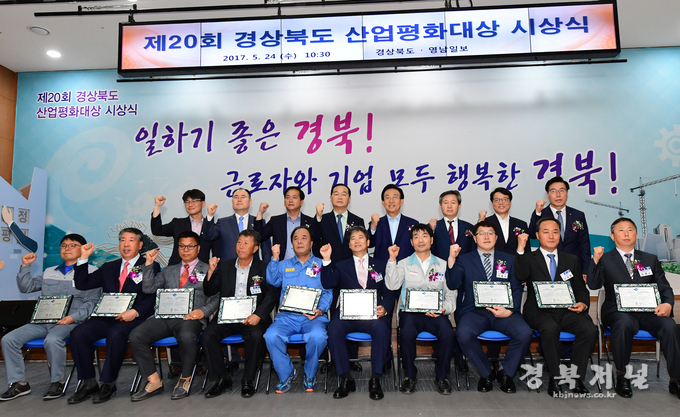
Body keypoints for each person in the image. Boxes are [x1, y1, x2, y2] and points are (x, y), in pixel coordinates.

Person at [588, 217, 680, 399]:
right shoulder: (605, 259)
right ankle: (622, 376)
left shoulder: (650, 259)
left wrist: (668, 303)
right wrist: (595, 261)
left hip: (648, 312)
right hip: (617, 311)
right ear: (612, 236)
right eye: (621, 230)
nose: (626, 233)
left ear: (636, 234)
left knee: (670, 326)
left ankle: (676, 379)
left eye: (630, 230)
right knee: (623, 323)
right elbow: (593, 284)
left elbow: (664, 287)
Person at [0, 234, 100, 401]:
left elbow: (92, 303)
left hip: (70, 322)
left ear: (83, 249)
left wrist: (72, 318)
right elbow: (26, 287)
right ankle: (19, 383)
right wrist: (25, 266)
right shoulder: (49, 272)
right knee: (9, 339)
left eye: (72, 245)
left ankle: (57, 382)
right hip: (43, 321)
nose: (67, 248)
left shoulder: (92, 272)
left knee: (52, 340)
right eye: (64, 245)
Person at [67, 228, 160, 404]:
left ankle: (108, 384)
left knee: (116, 334)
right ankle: (88, 383)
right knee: (78, 333)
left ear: (140, 245)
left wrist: (135, 312)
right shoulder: (108, 267)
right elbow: (82, 283)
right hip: (106, 316)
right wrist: (83, 258)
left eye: (131, 240)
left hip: (134, 317)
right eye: (122, 240)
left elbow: (152, 296)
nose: (126, 244)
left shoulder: (149, 265)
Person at [129, 231, 218, 401]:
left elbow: (216, 297)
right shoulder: (169, 270)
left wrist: (203, 311)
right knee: (136, 335)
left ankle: (184, 379)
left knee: (186, 336)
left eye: (190, 246)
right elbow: (148, 288)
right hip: (164, 317)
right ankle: (154, 381)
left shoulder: (208, 269)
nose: (186, 250)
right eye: (182, 246)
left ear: (198, 248)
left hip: (191, 318)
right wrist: (149, 264)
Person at [515, 218, 597, 397]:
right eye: (546, 232)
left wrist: (583, 303)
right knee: (550, 329)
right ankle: (555, 376)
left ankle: (575, 377)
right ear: (537, 236)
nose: (551, 236)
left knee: (590, 329)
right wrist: (520, 249)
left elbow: (579, 288)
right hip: (538, 311)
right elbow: (520, 275)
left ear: (560, 235)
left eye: (555, 232)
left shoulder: (571, 259)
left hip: (567, 310)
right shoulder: (528, 258)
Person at [447, 221, 532, 394]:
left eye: (490, 233)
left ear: (496, 237)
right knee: (463, 334)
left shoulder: (509, 259)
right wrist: (451, 259)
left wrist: (510, 310)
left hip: (505, 312)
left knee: (525, 333)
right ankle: (486, 373)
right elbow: (453, 283)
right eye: (482, 233)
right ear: (475, 238)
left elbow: (516, 288)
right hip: (475, 312)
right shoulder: (464, 259)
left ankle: (506, 373)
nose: (486, 236)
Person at [320, 226, 397, 400]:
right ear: (349, 245)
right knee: (334, 329)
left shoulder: (381, 264)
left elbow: (389, 292)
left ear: (368, 242)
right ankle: (345, 378)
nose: (356, 241)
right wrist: (326, 260)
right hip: (348, 314)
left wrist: (385, 307)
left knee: (381, 328)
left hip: (373, 314)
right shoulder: (341, 265)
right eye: (352, 238)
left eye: (360, 237)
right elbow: (328, 283)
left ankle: (375, 379)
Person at [201, 230, 279, 399]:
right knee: (207, 335)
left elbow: (273, 294)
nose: (241, 246)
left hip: (253, 316)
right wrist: (211, 271)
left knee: (256, 335)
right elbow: (209, 291)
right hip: (227, 316)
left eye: (246, 243)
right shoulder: (225, 266)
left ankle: (248, 379)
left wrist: (258, 315)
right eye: (239, 242)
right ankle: (222, 378)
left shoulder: (264, 267)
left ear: (255, 248)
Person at [385, 224, 456, 395]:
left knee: (448, 333)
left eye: (424, 236)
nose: (420, 240)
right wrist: (392, 260)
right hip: (410, 313)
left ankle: (442, 376)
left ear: (431, 240)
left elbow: (451, 293)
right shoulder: (403, 263)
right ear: (411, 242)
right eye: (416, 237)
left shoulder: (442, 264)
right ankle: (409, 375)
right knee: (407, 333)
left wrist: (444, 309)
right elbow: (392, 285)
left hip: (436, 313)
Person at [263, 226, 332, 393]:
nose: (299, 241)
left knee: (318, 337)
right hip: (287, 317)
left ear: (312, 243)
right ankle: (287, 374)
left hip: (313, 317)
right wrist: (274, 258)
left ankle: (310, 374)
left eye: (304, 238)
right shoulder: (283, 265)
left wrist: (320, 310)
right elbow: (272, 281)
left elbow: (328, 292)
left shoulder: (321, 264)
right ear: (292, 244)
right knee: (270, 336)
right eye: (295, 238)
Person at [527, 176, 591, 279]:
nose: (558, 195)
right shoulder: (541, 214)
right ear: (547, 194)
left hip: (573, 266)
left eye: (561, 190)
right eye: (553, 191)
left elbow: (584, 244)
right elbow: (532, 235)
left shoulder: (578, 215)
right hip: (548, 265)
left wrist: (586, 270)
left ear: (567, 193)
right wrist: (537, 213)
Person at [203, 187, 272, 262]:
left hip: (253, 266)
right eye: (236, 197)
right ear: (232, 201)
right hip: (227, 266)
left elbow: (266, 249)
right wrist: (210, 216)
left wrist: (267, 266)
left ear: (250, 201)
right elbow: (208, 236)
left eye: (243, 197)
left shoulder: (258, 221)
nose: (239, 200)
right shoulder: (223, 222)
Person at [150, 189, 216, 265]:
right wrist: (157, 206)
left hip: (201, 269)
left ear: (203, 203)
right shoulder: (177, 223)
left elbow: (216, 254)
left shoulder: (212, 228)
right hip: (176, 269)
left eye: (194, 201)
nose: (190, 204)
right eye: (187, 202)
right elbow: (157, 230)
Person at [254, 186, 314, 261]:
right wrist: (260, 213)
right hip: (281, 264)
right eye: (287, 197)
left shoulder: (310, 221)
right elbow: (259, 237)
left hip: (304, 264)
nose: (290, 200)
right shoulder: (276, 221)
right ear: (284, 202)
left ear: (301, 202)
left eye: (294, 197)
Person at [312, 183, 365, 263]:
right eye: (336, 194)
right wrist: (318, 217)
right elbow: (314, 238)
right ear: (331, 198)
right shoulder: (322, 219)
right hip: (328, 265)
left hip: (351, 265)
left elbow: (362, 246)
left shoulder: (358, 221)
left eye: (343, 194)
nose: (340, 197)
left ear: (349, 199)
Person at [369, 184, 418, 264]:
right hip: (382, 267)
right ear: (383, 203)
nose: (391, 201)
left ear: (401, 201)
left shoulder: (413, 223)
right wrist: (373, 227)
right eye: (387, 198)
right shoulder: (377, 223)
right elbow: (370, 244)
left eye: (395, 197)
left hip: (406, 267)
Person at [478, 187, 529, 255]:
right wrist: (480, 222)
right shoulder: (485, 223)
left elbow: (527, 251)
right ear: (492, 203)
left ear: (510, 202)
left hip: (516, 260)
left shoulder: (521, 224)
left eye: (504, 199)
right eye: (497, 200)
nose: (501, 203)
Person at [430, 190, 475, 261]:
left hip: (464, 266)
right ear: (440, 206)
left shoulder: (469, 227)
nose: (449, 206)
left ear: (459, 206)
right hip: (440, 266)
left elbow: (473, 251)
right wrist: (430, 230)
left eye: (453, 203)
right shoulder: (433, 227)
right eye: (446, 203)